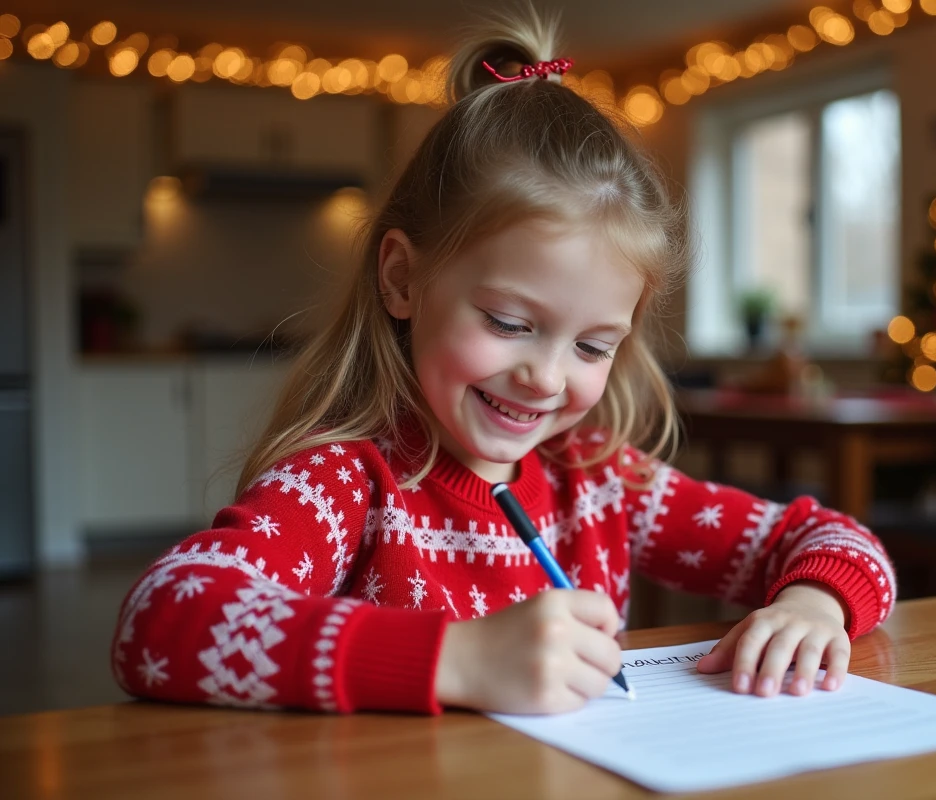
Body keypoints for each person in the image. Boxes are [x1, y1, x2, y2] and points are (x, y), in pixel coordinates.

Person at [111, 5, 895, 716]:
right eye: (510, 322)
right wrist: (456, 659)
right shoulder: (347, 483)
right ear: (402, 279)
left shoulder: (601, 482)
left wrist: (815, 606)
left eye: (593, 346)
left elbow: (839, 541)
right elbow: (164, 618)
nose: (548, 377)